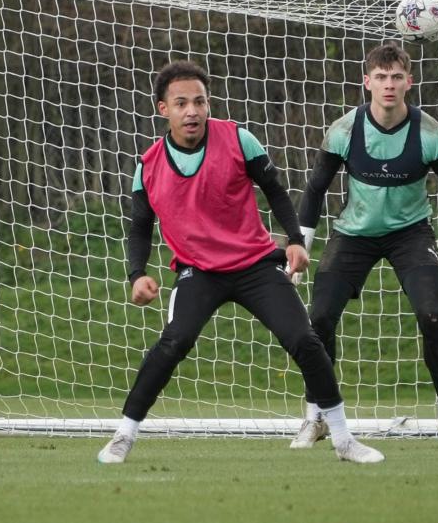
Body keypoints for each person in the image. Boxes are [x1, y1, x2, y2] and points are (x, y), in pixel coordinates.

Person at [97, 60, 384, 464]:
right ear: (163, 109)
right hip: (199, 272)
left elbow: (276, 191)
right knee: (174, 342)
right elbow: (140, 227)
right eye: (181, 103)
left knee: (305, 339)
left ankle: (342, 439)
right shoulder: (148, 165)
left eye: (200, 101)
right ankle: (124, 435)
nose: (193, 111)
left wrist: (296, 242)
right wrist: (137, 274)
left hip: (255, 266)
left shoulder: (238, 139)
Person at [288, 43, 438, 451]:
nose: (388, 85)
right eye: (381, 77)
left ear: (409, 82)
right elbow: (315, 189)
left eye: (396, 77)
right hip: (354, 234)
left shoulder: (431, 134)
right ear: (367, 82)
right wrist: (299, 246)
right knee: (319, 319)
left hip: (410, 234)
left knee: (431, 315)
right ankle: (315, 417)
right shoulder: (344, 130)